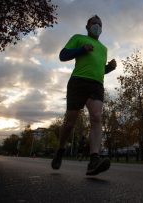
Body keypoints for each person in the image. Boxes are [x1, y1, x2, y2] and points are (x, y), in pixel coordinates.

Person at [51, 15, 117, 175]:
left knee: (96, 117)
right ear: (87, 27)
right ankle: (60, 150)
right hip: (78, 82)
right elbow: (62, 55)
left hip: (96, 85)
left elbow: (99, 70)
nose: (97, 26)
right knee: (69, 123)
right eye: (94, 23)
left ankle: (94, 159)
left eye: (100, 24)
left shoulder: (104, 48)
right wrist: (82, 49)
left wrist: (109, 68)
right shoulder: (78, 38)